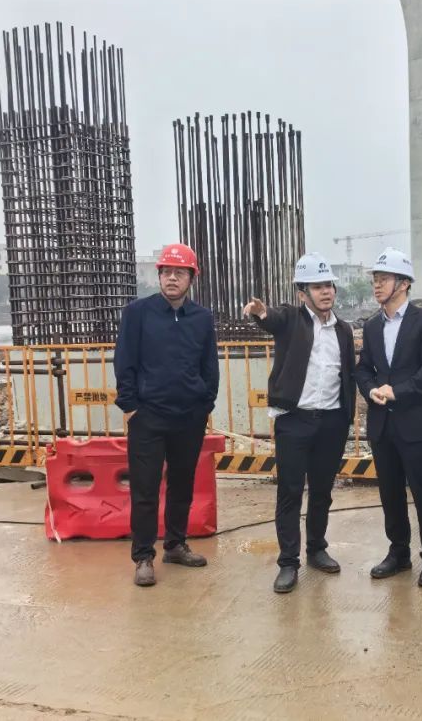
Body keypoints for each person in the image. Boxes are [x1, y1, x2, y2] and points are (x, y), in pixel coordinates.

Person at [244, 252, 356, 594]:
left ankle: (316, 548)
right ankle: (288, 562)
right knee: (290, 492)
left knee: (322, 490)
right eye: (317, 287)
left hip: (332, 421)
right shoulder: (291, 319)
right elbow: (272, 319)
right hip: (295, 421)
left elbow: (348, 373)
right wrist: (261, 312)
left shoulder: (344, 330)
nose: (326, 292)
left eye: (329, 285)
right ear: (302, 293)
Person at [114, 243, 219, 588]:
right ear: (159, 276)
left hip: (189, 417)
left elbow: (209, 366)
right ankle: (144, 556)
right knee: (145, 488)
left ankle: (175, 544)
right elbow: (124, 361)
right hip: (149, 416)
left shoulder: (202, 319)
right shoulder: (138, 313)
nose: (172, 278)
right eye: (167, 272)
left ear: (191, 278)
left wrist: (205, 404)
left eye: (180, 273)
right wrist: (131, 407)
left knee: (182, 484)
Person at [355, 248, 422, 588]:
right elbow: (363, 369)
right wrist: (371, 390)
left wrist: (398, 391)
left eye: (384, 279)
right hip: (383, 426)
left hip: (418, 424)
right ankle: (398, 553)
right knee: (390, 494)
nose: (377, 285)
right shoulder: (372, 326)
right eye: (375, 280)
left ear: (404, 283)